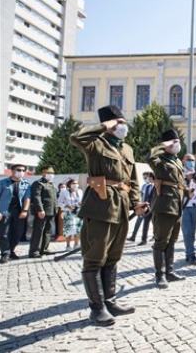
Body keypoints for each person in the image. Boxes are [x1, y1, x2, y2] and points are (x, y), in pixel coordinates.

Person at [69, 105, 147, 326]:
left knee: (113, 257)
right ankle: (97, 308)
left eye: (122, 122)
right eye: (118, 123)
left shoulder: (127, 150)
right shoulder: (95, 143)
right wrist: (103, 127)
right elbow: (76, 137)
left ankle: (110, 300)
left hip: (121, 207)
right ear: (109, 125)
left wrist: (136, 203)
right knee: (95, 258)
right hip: (100, 205)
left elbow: (132, 182)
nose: (123, 126)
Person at [146, 129, 190, 288]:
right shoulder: (159, 159)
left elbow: (178, 182)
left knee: (172, 240)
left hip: (177, 205)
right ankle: (160, 275)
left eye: (177, 141)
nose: (177, 144)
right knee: (161, 241)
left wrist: (186, 191)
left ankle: (169, 272)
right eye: (174, 142)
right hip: (164, 205)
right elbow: (149, 156)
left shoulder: (177, 160)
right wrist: (163, 145)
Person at [0, 164, 31, 263]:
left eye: (23, 170)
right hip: (4, 210)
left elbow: (27, 198)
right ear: (12, 171)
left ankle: (11, 250)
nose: (21, 172)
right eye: (19, 170)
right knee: (4, 233)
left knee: (18, 233)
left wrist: (25, 210)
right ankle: (5, 253)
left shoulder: (26, 184)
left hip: (19, 211)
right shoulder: (2, 183)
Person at [28, 166, 58, 258]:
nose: (51, 175)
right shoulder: (38, 183)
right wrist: (40, 210)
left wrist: (56, 209)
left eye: (52, 173)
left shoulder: (52, 184)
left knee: (48, 231)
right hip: (42, 211)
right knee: (38, 231)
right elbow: (36, 198)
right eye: (49, 173)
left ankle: (44, 248)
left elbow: (54, 198)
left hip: (51, 211)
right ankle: (34, 251)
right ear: (43, 174)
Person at [127, 172, 154, 245]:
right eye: (144, 178)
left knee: (153, 223)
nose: (145, 179)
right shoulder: (144, 186)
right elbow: (141, 195)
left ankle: (154, 236)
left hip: (150, 207)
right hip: (143, 206)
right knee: (139, 222)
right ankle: (134, 236)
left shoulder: (153, 186)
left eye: (146, 177)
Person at [58, 178, 83, 252]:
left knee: (78, 229)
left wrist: (80, 204)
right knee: (68, 229)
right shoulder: (64, 192)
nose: (75, 185)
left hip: (78, 212)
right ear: (69, 185)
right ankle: (68, 245)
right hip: (69, 213)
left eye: (76, 183)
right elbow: (59, 202)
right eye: (73, 183)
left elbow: (82, 200)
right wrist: (66, 205)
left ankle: (76, 244)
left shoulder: (80, 191)